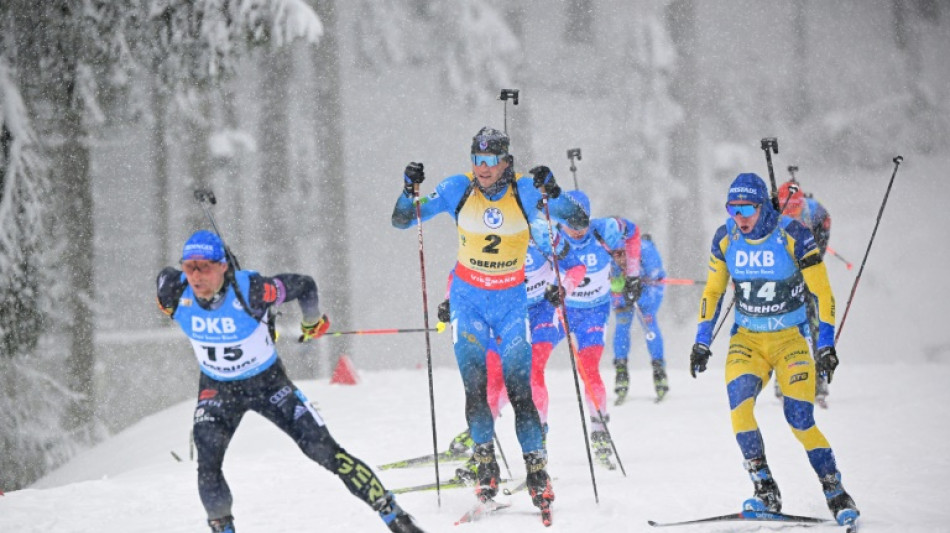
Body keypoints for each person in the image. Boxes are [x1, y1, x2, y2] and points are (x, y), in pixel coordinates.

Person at [156, 230, 424, 533]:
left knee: (325, 452)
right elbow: (169, 285)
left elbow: (305, 285)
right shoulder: (172, 290)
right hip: (217, 389)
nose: (195, 275)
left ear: (223, 266)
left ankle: (395, 516)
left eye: (204, 266)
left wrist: (312, 322)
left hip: (268, 384)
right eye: (189, 266)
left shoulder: (253, 290)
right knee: (207, 466)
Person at [391, 126, 589, 522]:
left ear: (505, 161)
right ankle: (486, 467)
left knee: (520, 391)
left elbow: (578, 220)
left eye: (490, 161)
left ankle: (537, 471)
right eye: (476, 161)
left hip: (511, 302)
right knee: (476, 389)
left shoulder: (526, 190)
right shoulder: (456, 188)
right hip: (469, 300)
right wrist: (408, 188)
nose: (482, 169)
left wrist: (553, 190)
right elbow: (402, 220)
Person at [688, 173, 859, 527]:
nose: (740, 217)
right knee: (740, 411)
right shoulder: (726, 238)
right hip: (747, 341)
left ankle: (835, 491)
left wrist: (825, 346)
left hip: (790, 341)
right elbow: (713, 293)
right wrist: (702, 340)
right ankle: (765, 488)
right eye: (733, 210)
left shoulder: (793, 235)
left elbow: (822, 294)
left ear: (762, 205)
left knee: (800, 420)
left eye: (747, 209)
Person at [548, 190, 630, 469]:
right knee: (526, 362)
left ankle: (599, 429)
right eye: (571, 222)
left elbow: (632, 233)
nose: (577, 229)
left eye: (581, 222)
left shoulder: (604, 229)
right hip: (562, 309)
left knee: (589, 368)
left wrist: (628, 276)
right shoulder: (551, 235)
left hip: (594, 312)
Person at [775, 178, 833, 407]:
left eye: (795, 210)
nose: (792, 214)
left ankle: (819, 377)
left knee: (814, 323)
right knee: (781, 323)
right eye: (787, 210)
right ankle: (783, 378)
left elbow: (825, 229)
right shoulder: (771, 213)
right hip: (782, 275)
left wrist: (815, 255)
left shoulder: (815, 211)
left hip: (808, 266)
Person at [607, 219, 668, 403]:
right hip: (625, 295)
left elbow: (656, 289)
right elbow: (608, 292)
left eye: (623, 253)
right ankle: (621, 370)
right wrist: (621, 296)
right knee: (622, 326)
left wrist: (640, 296)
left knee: (649, 324)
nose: (620, 259)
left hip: (649, 291)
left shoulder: (648, 254)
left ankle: (659, 369)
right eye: (615, 254)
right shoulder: (610, 262)